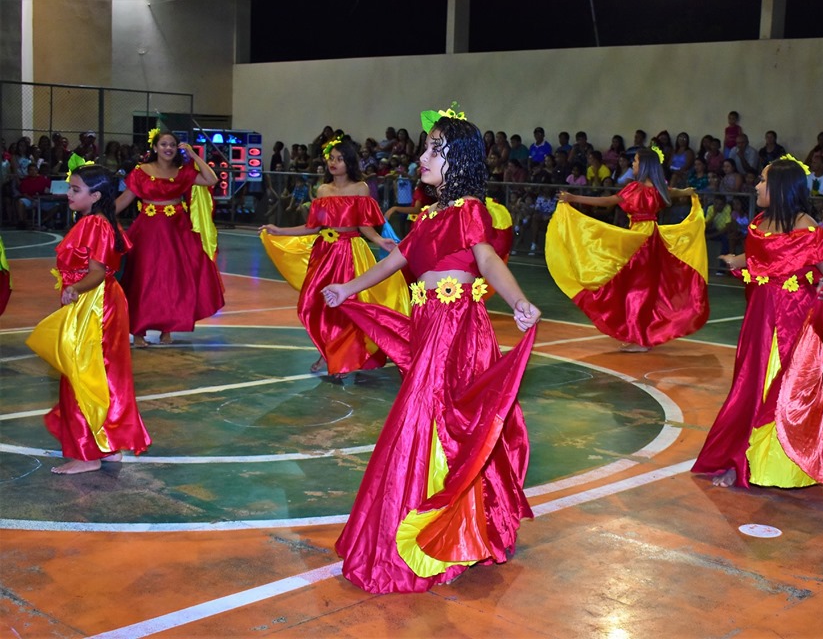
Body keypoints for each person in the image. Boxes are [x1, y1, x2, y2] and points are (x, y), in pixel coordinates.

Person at [322, 107, 541, 593]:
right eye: (425, 148)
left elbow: (487, 259)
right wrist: (348, 288)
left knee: (427, 417)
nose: (422, 157)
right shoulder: (428, 216)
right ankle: (452, 527)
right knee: (432, 420)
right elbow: (395, 260)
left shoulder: (468, 210)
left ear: (457, 160)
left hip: (455, 328)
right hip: (428, 326)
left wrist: (519, 301)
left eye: (434, 150)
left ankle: (430, 533)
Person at [693, 158, 823, 490]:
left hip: (794, 319)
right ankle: (743, 459)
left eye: (763, 181)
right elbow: (760, 257)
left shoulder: (807, 226)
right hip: (760, 318)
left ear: (780, 188)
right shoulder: (760, 222)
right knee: (751, 387)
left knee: (785, 388)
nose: (757, 186)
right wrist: (736, 260)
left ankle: (780, 464)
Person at [26, 165, 150, 474]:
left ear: (95, 196)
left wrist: (75, 288)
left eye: (76, 189)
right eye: (70, 187)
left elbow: (97, 272)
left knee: (81, 373)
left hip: (94, 304)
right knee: (101, 375)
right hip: (103, 301)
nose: (68, 193)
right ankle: (106, 445)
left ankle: (87, 455)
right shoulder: (101, 221)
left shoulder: (94, 224)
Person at [260, 139, 408, 376]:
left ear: (349, 162)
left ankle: (341, 358)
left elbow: (364, 224)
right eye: (331, 158)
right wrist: (280, 231)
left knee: (347, 303)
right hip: (324, 253)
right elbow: (313, 227)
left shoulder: (360, 188)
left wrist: (380, 240)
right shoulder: (323, 191)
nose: (334, 163)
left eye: (340, 159)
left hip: (350, 251)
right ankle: (327, 351)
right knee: (316, 304)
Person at [547, 147, 709, 353]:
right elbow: (673, 192)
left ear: (644, 165)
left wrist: (573, 198)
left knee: (636, 291)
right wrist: (686, 192)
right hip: (652, 238)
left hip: (639, 241)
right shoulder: (658, 188)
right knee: (644, 290)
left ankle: (641, 340)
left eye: (636, 161)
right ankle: (641, 336)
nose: (633, 164)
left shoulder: (635, 188)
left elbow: (608, 201)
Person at [115, 130, 224, 347]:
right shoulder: (140, 172)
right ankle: (138, 332)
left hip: (177, 231)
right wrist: (98, 216)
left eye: (172, 145)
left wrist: (193, 155)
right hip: (147, 232)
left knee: (173, 280)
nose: (168, 148)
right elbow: (124, 200)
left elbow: (211, 179)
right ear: (155, 148)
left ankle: (167, 328)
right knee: (143, 279)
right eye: (164, 144)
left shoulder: (183, 172)